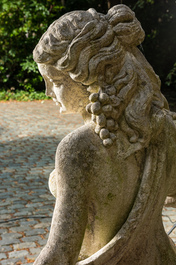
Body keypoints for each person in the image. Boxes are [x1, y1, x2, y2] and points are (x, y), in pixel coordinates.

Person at [33, 4, 176, 265]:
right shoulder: (163, 128)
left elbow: (59, 254)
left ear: (96, 76)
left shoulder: (76, 150)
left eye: (56, 82)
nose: (47, 92)